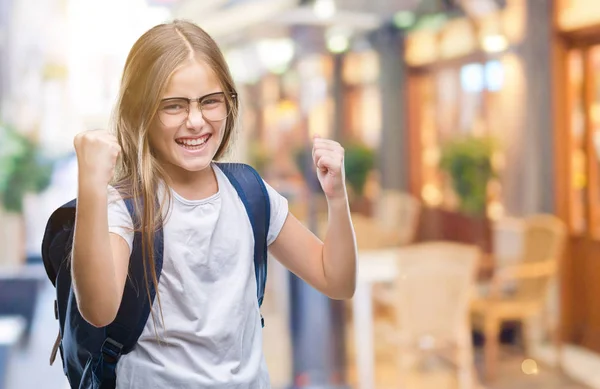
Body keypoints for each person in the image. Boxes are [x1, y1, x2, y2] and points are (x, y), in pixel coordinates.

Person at [70, 19, 357, 388]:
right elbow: (98, 310)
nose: (195, 121)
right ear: (141, 111)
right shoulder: (126, 207)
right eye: (173, 106)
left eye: (210, 102)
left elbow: (337, 280)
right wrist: (92, 185)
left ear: (229, 103)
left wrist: (337, 196)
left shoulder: (249, 191)